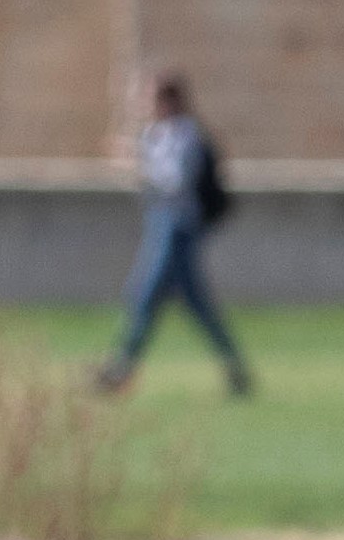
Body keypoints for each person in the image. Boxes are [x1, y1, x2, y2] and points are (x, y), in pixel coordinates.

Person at [94, 67, 248, 398]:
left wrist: (136, 164)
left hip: (178, 229)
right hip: (160, 223)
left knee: (146, 294)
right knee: (194, 304)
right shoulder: (156, 134)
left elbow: (175, 183)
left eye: (150, 97)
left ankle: (120, 368)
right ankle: (235, 368)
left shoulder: (186, 135)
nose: (144, 104)